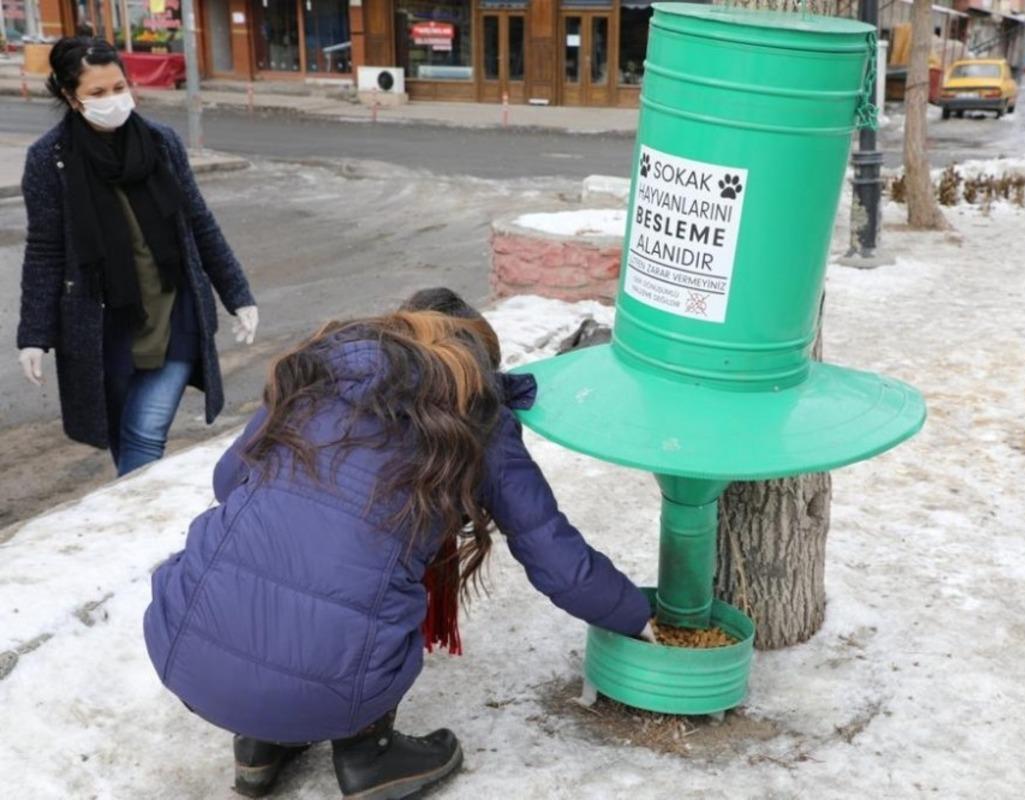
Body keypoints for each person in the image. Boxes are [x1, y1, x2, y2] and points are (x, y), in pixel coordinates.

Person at [143, 289, 653, 800]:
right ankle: (371, 758)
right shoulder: (476, 417)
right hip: (326, 688)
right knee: (372, 591)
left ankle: (260, 744)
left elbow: (228, 479)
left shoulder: (313, 377)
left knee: (275, 560)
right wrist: (633, 613)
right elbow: (556, 557)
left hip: (183, 650)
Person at [16, 37, 258, 476]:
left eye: (119, 87)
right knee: (122, 435)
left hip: (173, 312)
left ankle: (131, 524)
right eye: (97, 93)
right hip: (103, 326)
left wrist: (238, 294)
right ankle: (128, 517)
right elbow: (46, 251)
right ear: (71, 97)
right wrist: (34, 333)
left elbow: (199, 224)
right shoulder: (49, 161)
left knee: (146, 433)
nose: (113, 100)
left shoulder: (160, 143)